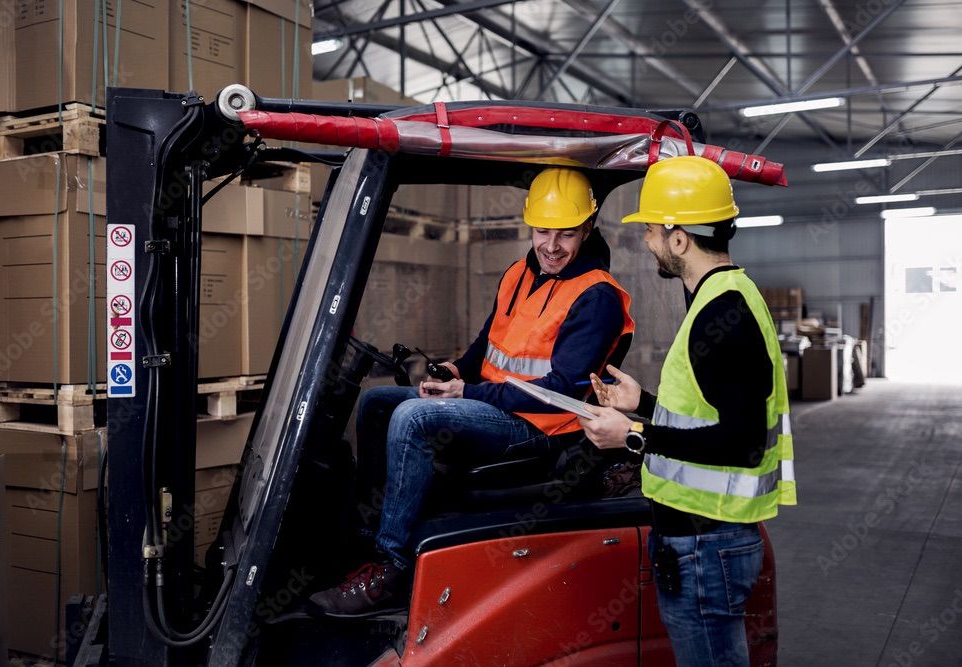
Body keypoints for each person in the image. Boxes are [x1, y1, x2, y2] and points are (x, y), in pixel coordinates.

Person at [309, 167, 636, 617]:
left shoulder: (596, 296)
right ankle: (371, 535)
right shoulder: (519, 273)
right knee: (377, 403)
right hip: (498, 406)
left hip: (543, 426)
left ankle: (391, 566)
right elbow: (486, 347)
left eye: (566, 234)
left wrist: (469, 393)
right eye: (543, 231)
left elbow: (560, 390)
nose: (552, 245)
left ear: (588, 228)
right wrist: (452, 371)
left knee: (413, 418)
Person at [578, 155, 796, 666]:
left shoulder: (724, 311)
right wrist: (644, 404)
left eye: (652, 229)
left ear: (680, 239)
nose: (646, 239)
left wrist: (633, 434)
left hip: (707, 546)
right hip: (703, 542)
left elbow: (740, 444)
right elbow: (712, 417)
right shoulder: (721, 298)